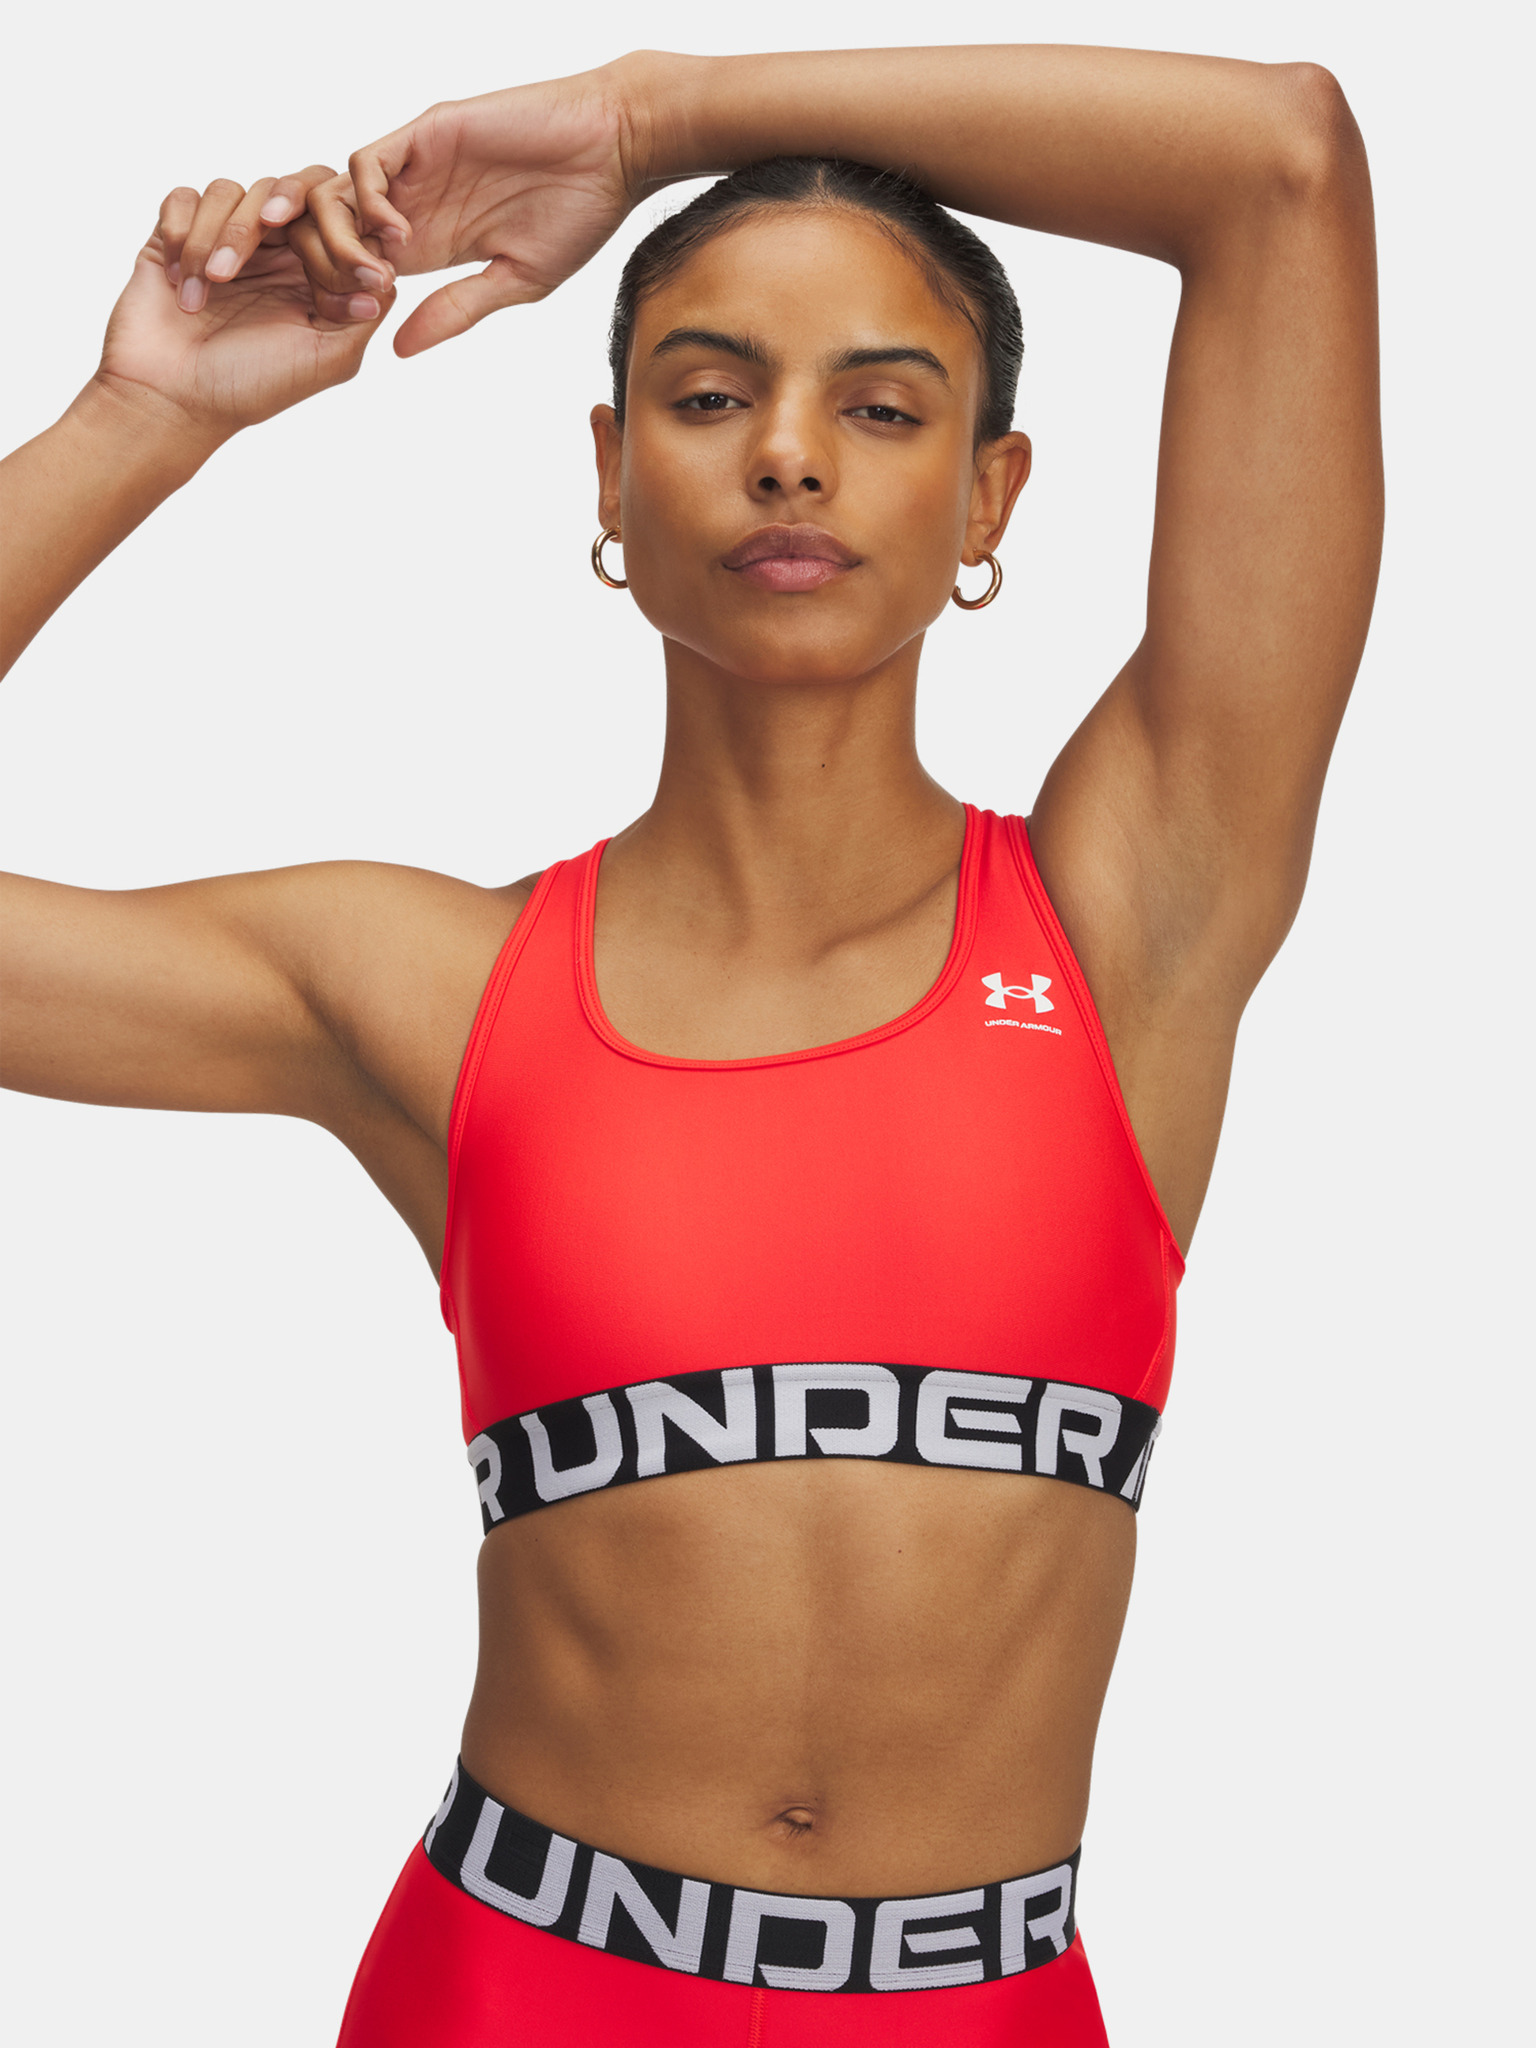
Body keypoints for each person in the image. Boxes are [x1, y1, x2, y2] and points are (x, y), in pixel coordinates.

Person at [0, 43, 1381, 2048]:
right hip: (504, 1997)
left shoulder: (1128, 932)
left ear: (991, 493)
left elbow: (1282, 162)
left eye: (881, 406)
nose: (790, 457)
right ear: (609, 473)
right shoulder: (429, 987)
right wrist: (142, 418)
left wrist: (654, 123)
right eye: (713, 393)